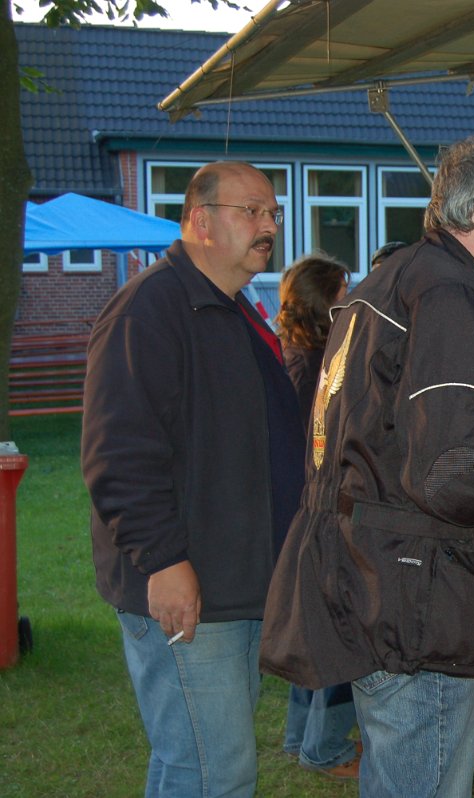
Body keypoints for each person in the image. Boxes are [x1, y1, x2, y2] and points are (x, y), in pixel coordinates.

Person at [258, 134, 474, 798]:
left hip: (379, 579)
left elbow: (411, 435)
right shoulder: (451, 296)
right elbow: (454, 474)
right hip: (420, 603)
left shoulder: (397, 277)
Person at [82, 161, 305, 797]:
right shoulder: (150, 309)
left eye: (273, 213)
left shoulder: (233, 308)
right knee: (213, 773)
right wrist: (163, 560)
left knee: (196, 761)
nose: (268, 227)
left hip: (233, 584)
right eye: (252, 212)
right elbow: (118, 451)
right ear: (200, 221)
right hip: (187, 587)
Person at [274, 254, 361, 779]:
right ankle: (323, 747)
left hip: (301, 511)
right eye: (343, 292)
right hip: (319, 510)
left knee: (311, 625)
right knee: (338, 631)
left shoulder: (295, 353)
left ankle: (297, 737)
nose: (350, 301)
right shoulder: (315, 367)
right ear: (323, 302)